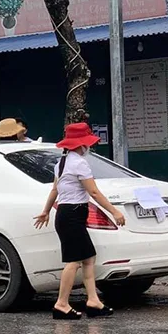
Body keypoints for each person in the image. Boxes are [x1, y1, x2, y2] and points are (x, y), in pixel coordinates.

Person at [34, 123, 125, 320]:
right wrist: (114, 211)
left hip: (67, 214)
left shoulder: (63, 162)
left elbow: (54, 190)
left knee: (88, 258)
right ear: (81, 144)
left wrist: (46, 211)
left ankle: (93, 300)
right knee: (73, 261)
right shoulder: (79, 163)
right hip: (73, 214)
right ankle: (61, 303)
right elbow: (93, 191)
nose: (89, 147)